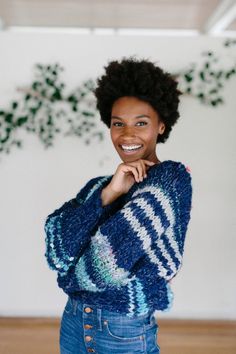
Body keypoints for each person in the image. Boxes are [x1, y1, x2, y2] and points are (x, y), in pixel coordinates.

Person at [44, 56, 193, 354]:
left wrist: (70, 278)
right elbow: (56, 248)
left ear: (161, 126)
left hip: (122, 329)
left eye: (141, 123)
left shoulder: (171, 180)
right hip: (74, 322)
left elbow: (106, 263)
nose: (127, 135)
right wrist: (109, 194)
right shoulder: (100, 185)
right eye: (118, 123)